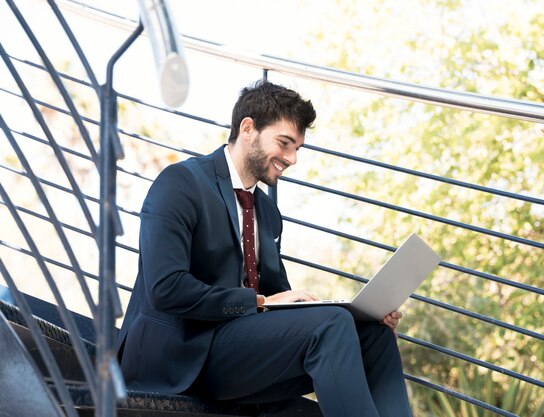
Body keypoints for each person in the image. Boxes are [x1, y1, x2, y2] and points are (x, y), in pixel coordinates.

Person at [115, 80, 412, 417]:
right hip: (180, 354)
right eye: (285, 143)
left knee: (372, 334)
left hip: (239, 352)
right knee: (329, 326)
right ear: (248, 128)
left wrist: (359, 311)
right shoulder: (181, 183)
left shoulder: (267, 212)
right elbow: (165, 289)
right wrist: (258, 303)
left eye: (298, 148)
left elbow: (279, 300)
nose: (292, 158)